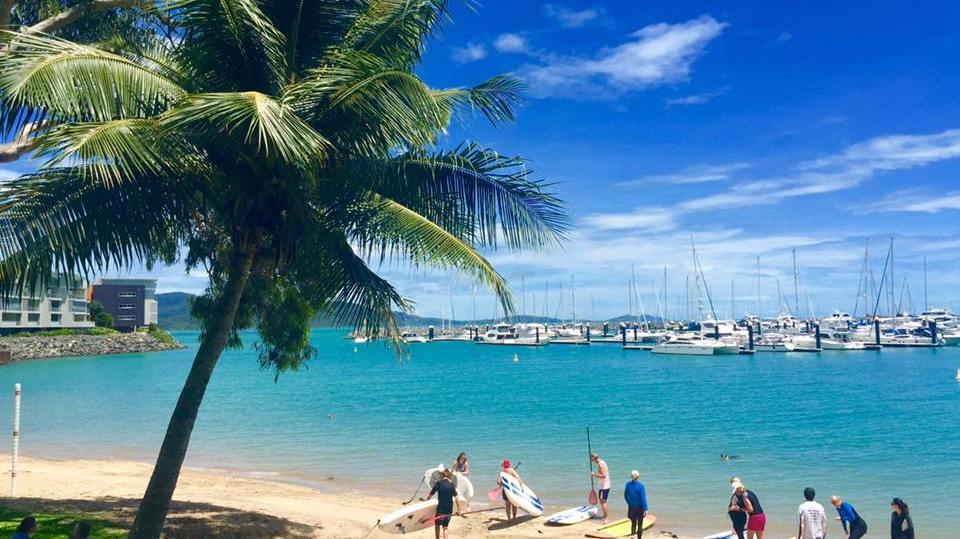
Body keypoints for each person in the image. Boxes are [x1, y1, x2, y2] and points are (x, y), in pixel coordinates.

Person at [425, 469, 461, 539]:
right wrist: (459, 511)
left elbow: (430, 495)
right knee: (445, 527)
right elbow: (457, 498)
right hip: (449, 511)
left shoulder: (438, 483)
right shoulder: (451, 485)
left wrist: (426, 503)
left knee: (437, 525)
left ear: (442, 475)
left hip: (440, 511)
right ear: (449, 476)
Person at [623, 470, 648, 538]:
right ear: (638, 477)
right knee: (639, 524)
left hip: (632, 507)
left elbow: (625, 496)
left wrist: (629, 503)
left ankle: (633, 536)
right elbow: (643, 498)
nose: (633, 476)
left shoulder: (628, 484)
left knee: (633, 523)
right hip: (639, 508)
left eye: (633, 475)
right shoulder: (641, 486)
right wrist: (645, 509)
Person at [590, 453, 612, 523]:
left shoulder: (600, 464)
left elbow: (603, 475)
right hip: (605, 486)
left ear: (595, 458)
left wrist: (594, 475)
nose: (592, 461)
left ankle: (606, 517)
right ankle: (605, 516)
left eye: (592, 459)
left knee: (603, 502)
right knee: (603, 501)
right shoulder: (602, 462)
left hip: (604, 487)